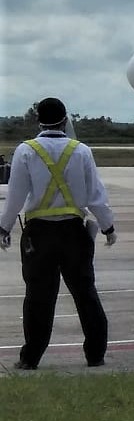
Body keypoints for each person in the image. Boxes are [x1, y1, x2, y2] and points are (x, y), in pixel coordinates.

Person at [1, 97, 116, 369]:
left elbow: (15, 196)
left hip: (39, 234)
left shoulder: (26, 151)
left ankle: (30, 358)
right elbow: (96, 196)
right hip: (74, 233)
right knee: (85, 294)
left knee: (39, 297)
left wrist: (3, 227)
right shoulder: (81, 151)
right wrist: (108, 226)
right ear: (66, 121)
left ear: (37, 120)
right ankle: (96, 355)